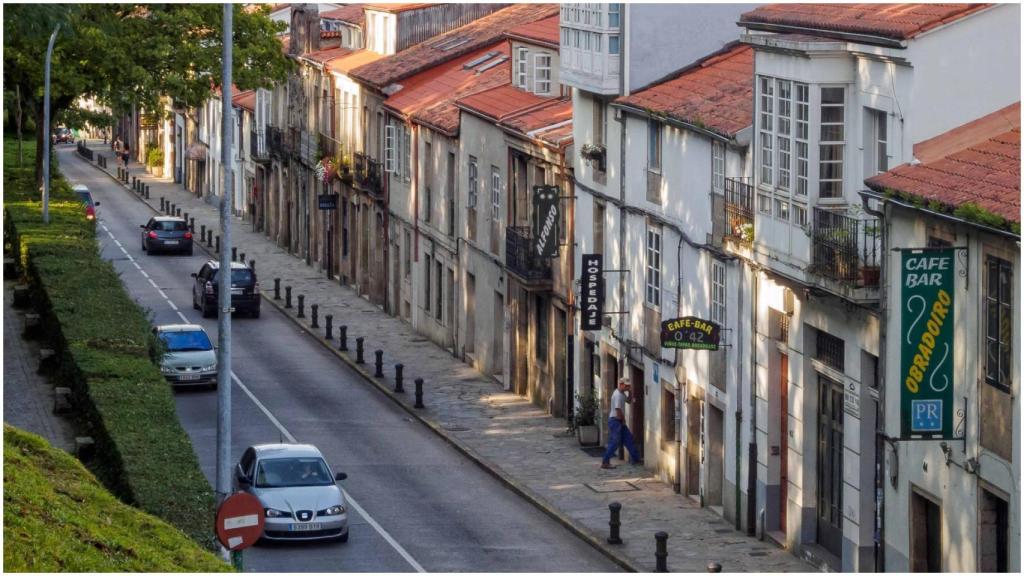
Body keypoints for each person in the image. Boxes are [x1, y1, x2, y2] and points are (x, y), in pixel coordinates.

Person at [601, 378, 642, 469]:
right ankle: (605, 462)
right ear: (621, 384)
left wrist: (630, 392)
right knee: (614, 442)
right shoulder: (618, 395)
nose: (628, 387)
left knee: (629, 439)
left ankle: (636, 459)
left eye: (629, 386)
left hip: (619, 421)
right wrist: (623, 420)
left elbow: (629, 401)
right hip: (616, 421)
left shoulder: (622, 393)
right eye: (626, 386)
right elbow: (618, 410)